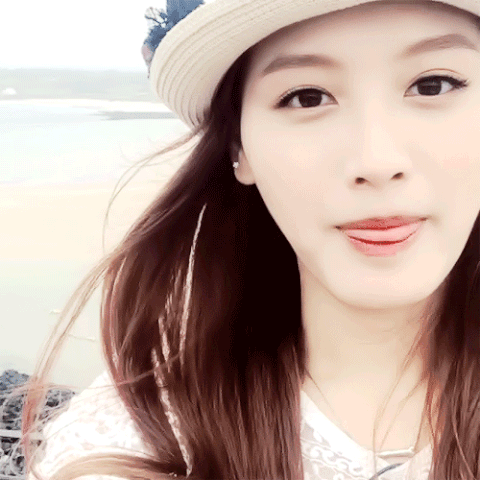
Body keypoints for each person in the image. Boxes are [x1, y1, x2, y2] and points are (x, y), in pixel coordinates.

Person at [20, 0, 480, 479]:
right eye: (306, 97)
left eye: (434, 85)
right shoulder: (140, 438)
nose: (376, 161)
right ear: (239, 146)